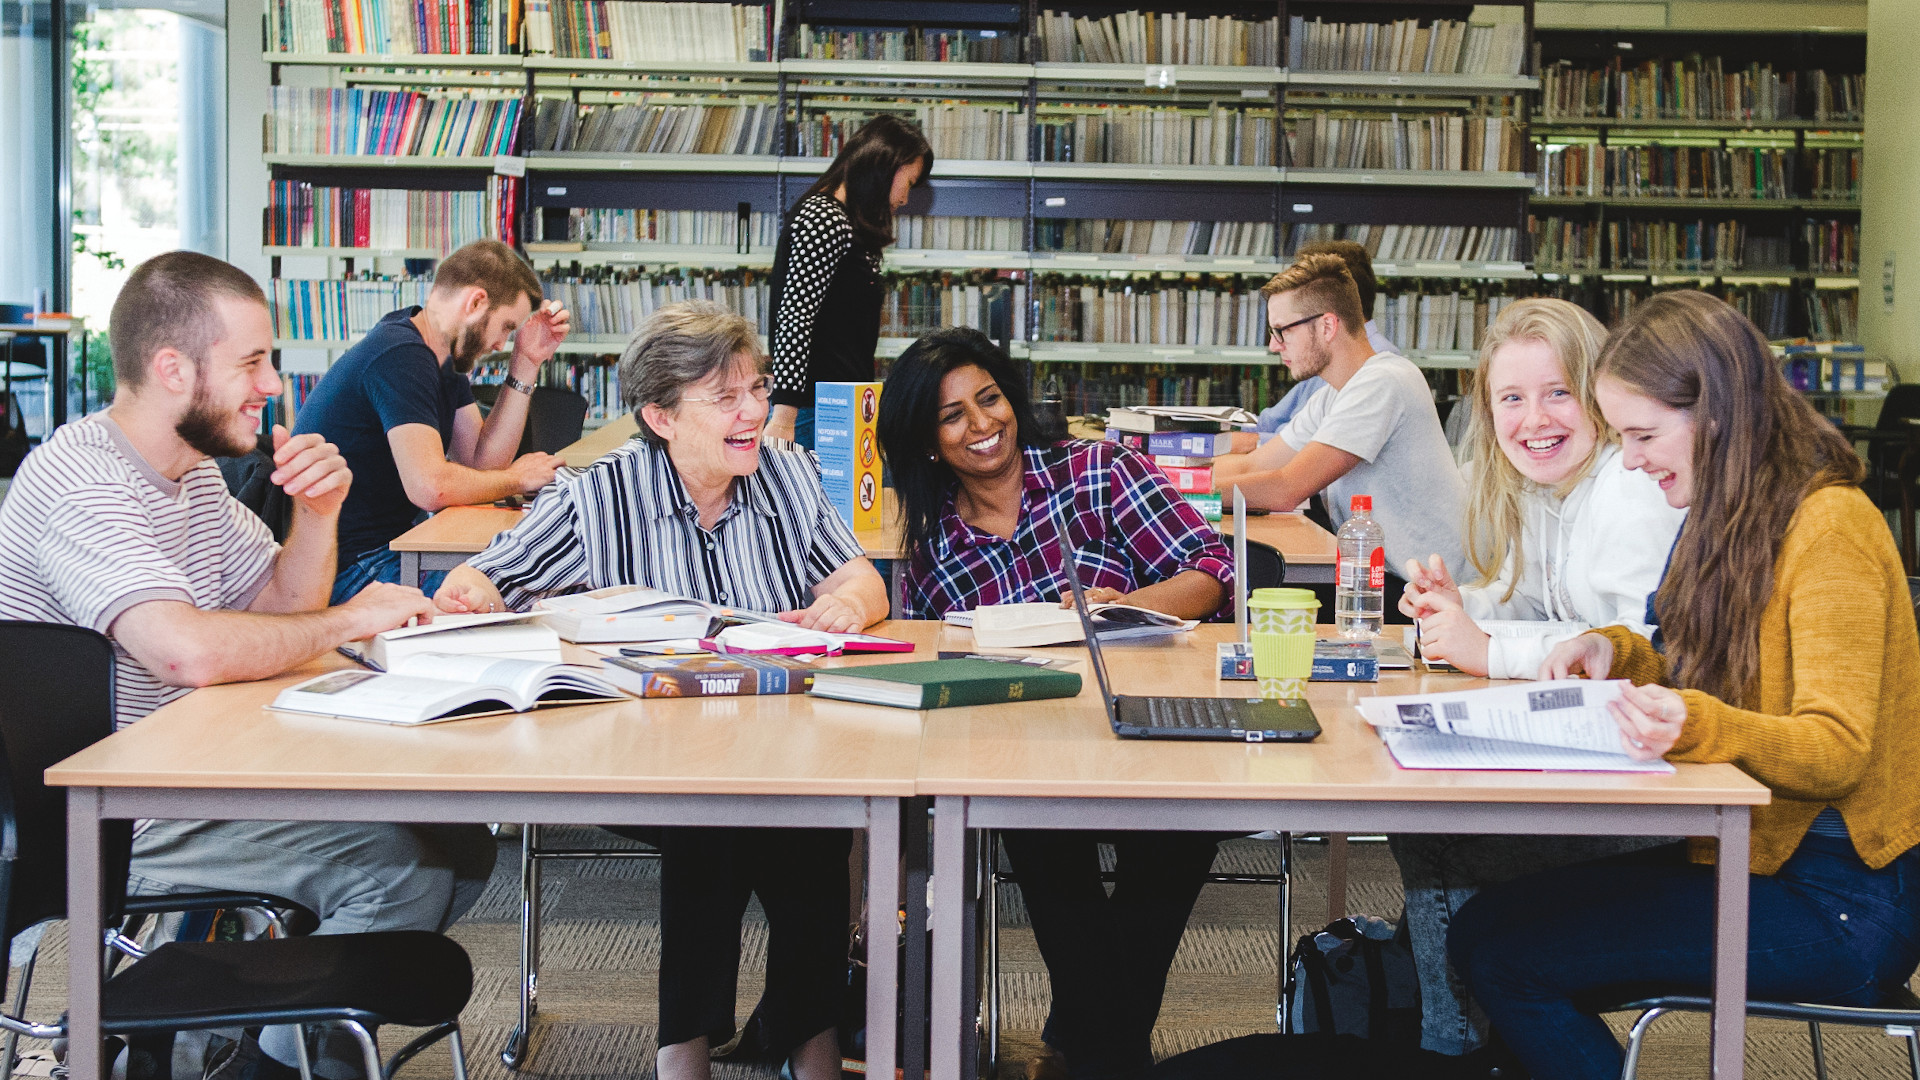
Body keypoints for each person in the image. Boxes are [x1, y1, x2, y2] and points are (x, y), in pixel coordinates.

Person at [0, 251, 496, 1080]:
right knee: (411, 859)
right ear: (172, 370)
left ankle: (226, 1038)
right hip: (109, 811)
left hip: (191, 766)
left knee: (455, 841)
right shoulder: (83, 481)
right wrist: (353, 615)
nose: (273, 383)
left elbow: (276, 607)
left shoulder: (189, 476)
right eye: (252, 362)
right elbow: (187, 651)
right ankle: (259, 1056)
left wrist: (317, 513)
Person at [1446, 290, 1920, 1080]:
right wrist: (1615, 651)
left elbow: (1837, 751)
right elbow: (1685, 656)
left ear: (1718, 416)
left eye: (1642, 434)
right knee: (1487, 930)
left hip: (1844, 901)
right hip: (1754, 854)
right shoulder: (1728, 515)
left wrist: (1696, 721)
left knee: (1508, 957)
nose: (1628, 460)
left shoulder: (1831, 528)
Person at [436, 300, 888, 1080]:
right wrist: (470, 593)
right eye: (726, 398)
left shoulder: (788, 471)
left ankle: (730, 1044)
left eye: (757, 389)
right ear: (661, 416)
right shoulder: (595, 495)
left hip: (778, 745)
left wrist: (847, 601)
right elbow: (483, 576)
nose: (754, 412)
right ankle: (744, 1045)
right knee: (720, 814)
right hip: (645, 763)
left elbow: (861, 576)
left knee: (809, 814)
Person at [877, 327, 1232, 1080]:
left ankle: (1091, 1038)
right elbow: (941, 657)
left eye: (990, 399)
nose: (982, 425)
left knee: (1185, 826)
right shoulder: (934, 543)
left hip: (1145, 728)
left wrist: (1124, 606)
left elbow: (1210, 568)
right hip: (1027, 747)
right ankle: (1110, 1050)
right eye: (951, 416)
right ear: (926, 440)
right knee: (1036, 831)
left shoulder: (1096, 471)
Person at [1384, 297, 1687, 1066]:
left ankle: (1458, 1054)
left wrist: (1487, 648)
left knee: (1440, 845)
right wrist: (1463, 611)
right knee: (1435, 834)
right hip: (1606, 767)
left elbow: (1640, 646)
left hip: (1668, 795)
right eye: (1510, 399)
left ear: (1599, 397)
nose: (1533, 419)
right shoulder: (1542, 494)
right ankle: (1496, 1043)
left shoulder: (1628, 486)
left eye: (1556, 393)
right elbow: (1529, 604)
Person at [293, 239, 573, 603]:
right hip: (353, 567)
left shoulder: (437, 354)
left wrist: (527, 362)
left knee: (532, 575)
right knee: (525, 592)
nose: (501, 343)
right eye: (506, 327)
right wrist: (516, 479)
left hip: (390, 548)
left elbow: (481, 460)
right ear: (475, 303)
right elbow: (429, 487)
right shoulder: (401, 356)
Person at [1212, 253, 1466, 619]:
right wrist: (1178, 479)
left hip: (1426, 597)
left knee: (1248, 603)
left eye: (1282, 331)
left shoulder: (1384, 381)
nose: (1273, 346)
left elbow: (1286, 487)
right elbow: (1256, 463)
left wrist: (1179, 493)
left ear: (1327, 326)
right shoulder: (1335, 392)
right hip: (1382, 582)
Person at [763, 114, 931, 448]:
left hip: (837, 404)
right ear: (885, 167)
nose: (904, 199)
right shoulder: (824, 218)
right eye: (908, 183)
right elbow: (796, 317)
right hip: (814, 409)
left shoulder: (844, 220)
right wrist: (784, 418)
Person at [1239, 239, 1398, 451]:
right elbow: (1274, 429)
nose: (1273, 346)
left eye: (1284, 330)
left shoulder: (1374, 375)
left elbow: (1291, 468)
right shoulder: (1328, 374)